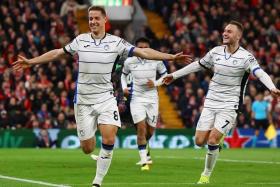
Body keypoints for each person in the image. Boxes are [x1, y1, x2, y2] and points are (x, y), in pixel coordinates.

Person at [12, 6, 191, 187]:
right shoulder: (80, 40)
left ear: (105, 20)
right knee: (87, 148)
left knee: (109, 138)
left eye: (96, 18)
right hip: (83, 101)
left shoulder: (116, 42)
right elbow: (57, 53)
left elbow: (144, 52)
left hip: (105, 98)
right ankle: (95, 133)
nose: (92, 22)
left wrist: (170, 57)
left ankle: (97, 182)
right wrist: (31, 62)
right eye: (90, 18)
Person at [162, 20, 280, 184]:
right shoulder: (215, 52)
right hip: (211, 102)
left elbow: (260, 73)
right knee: (198, 141)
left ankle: (205, 175)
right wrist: (174, 76)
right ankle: (218, 140)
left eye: (229, 31)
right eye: (224, 31)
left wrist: (272, 88)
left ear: (238, 36)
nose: (225, 33)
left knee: (212, 140)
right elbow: (197, 65)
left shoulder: (246, 57)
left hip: (230, 104)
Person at [121, 37, 167, 171]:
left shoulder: (156, 60)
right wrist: (124, 88)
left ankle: (145, 148)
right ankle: (144, 161)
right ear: (135, 49)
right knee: (141, 128)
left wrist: (157, 83)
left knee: (150, 131)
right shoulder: (129, 61)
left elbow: (166, 75)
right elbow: (123, 75)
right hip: (137, 98)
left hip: (152, 99)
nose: (142, 50)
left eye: (145, 47)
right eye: (140, 48)